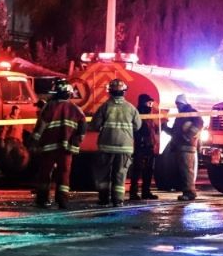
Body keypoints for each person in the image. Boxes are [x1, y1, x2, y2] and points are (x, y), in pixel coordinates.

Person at [31, 79, 87, 208]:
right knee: (64, 173)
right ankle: (63, 201)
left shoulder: (49, 107)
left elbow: (40, 126)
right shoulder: (76, 109)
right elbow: (83, 126)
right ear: (69, 93)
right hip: (66, 148)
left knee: (45, 173)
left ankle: (43, 199)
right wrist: (77, 141)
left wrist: (33, 141)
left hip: (49, 147)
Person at [91, 79, 142, 207]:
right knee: (120, 173)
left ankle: (104, 199)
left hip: (106, 146)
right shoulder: (131, 108)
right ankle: (118, 200)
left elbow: (95, 125)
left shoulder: (105, 107)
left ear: (110, 92)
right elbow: (137, 126)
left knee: (103, 173)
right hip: (125, 147)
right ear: (124, 92)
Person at [162, 94, 203, 201]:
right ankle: (187, 192)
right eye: (177, 104)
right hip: (181, 147)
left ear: (183, 103)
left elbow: (199, 123)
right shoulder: (181, 116)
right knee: (184, 171)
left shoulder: (190, 112)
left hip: (187, 147)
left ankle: (190, 193)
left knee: (187, 171)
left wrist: (188, 136)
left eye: (179, 104)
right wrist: (165, 128)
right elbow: (176, 133)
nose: (178, 106)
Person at [129, 93, 160, 201]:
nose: (150, 105)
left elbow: (152, 130)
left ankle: (146, 192)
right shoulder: (137, 114)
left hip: (149, 146)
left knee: (149, 170)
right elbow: (136, 130)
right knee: (137, 170)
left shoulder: (149, 115)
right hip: (140, 146)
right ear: (143, 103)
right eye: (149, 103)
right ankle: (133, 193)